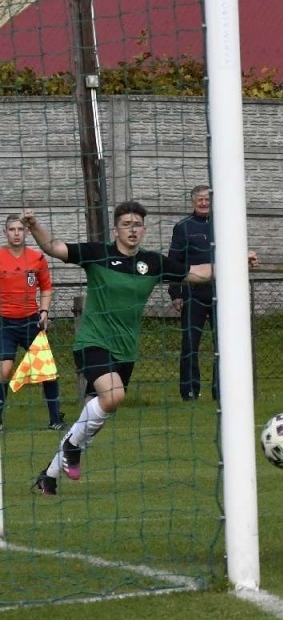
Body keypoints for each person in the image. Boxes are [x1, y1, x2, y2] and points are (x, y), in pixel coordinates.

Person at [21, 202, 213, 496]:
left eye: (137, 224)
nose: (132, 229)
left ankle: (49, 475)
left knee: (92, 421)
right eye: (126, 224)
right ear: (116, 230)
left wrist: (236, 261)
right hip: (92, 342)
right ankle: (71, 447)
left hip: (125, 352)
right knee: (113, 396)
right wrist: (34, 226)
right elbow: (55, 247)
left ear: (144, 230)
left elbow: (197, 273)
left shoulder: (153, 263)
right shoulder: (99, 254)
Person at [167, 184, 257, 401]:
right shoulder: (183, 227)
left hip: (223, 294)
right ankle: (189, 392)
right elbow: (173, 262)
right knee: (190, 345)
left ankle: (222, 391)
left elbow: (237, 253)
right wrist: (176, 293)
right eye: (200, 199)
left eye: (207, 199)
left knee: (225, 344)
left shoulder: (226, 224)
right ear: (192, 202)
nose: (204, 203)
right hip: (193, 294)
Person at [0, 213, 65, 433]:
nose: (16, 234)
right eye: (12, 230)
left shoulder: (37, 258)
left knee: (47, 370)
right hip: (5, 323)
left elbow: (46, 287)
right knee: (5, 370)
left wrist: (44, 312)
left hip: (31, 322)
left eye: (20, 229)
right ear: (5, 232)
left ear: (27, 232)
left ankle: (55, 419)